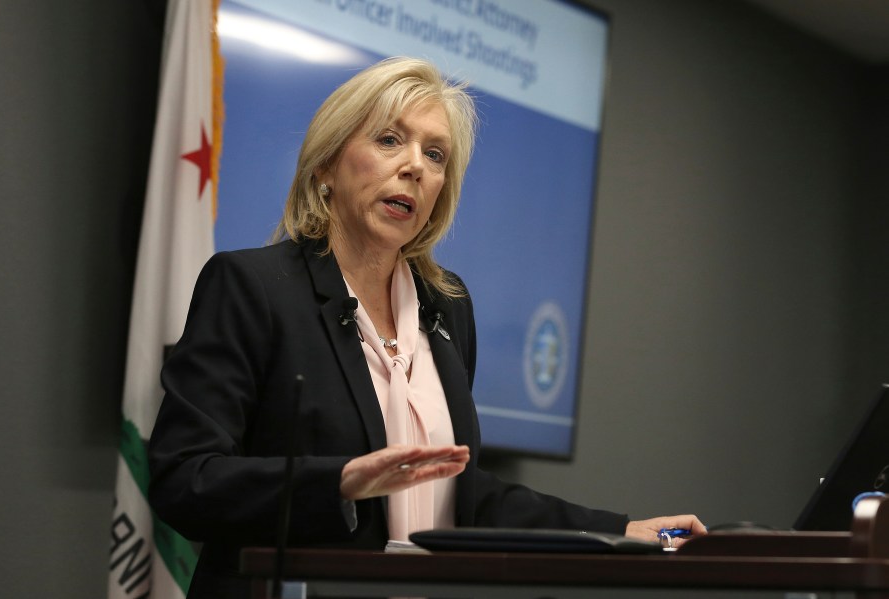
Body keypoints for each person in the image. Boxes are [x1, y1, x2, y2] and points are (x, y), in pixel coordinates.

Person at [148, 57, 705, 598]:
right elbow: (184, 479)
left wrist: (619, 531)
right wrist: (338, 481)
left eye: (434, 154)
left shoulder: (446, 307)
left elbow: (461, 495)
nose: (415, 165)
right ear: (326, 165)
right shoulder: (253, 287)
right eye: (390, 140)